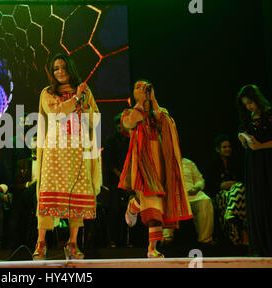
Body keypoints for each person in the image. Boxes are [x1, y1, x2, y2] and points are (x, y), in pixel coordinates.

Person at [34, 52, 101, 260]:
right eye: (56, 68)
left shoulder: (85, 91)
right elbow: (57, 113)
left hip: (78, 150)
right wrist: (76, 98)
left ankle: (72, 243)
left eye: (63, 67)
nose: (60, 71)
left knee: (77, 196)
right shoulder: (48, 93)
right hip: (55, 150)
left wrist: (85, 104)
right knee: (47, 192)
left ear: (69, 68)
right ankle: (41, 241)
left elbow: (94, 122)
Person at [119, 79, 192, 258]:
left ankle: (134, 206)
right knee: (152, 205)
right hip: (141, 164)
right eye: (138, 86)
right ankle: (152, 248)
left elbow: (164, 122)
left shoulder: (160, 112)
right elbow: (129, 123)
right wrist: (142, 103)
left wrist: (153, 100)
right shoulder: (129, 112)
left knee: (156, 205)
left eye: (145, 87)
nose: (142, 88)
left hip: (159, 164)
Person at [236, 84, 272, 256]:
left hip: (267, 161)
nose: (249, 106)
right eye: (246, 104)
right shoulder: (249, 118)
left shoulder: (269, 114)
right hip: (253, 163)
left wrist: (261, 146)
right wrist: (242, 138)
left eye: (251, 102)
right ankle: (260, 245)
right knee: (256, 201)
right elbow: (245, 135)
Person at [206, 134, 247, 247]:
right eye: (224, 147)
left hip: (236, 195)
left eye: (229, 146)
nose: (228, 149)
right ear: (218, 149)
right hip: (219, 195)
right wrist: (223, 185)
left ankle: (231, 212)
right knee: (234, 194)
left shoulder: (236, 162)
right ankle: (240, 237)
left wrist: (231, 185)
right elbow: (211, 185)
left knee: (238, 190)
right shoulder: (212, 165)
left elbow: (241, 181)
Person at [101, 112, 134, 248]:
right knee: (114, 209)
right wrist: (122, 176)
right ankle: (113, 240)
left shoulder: (132, 139)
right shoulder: (111, 140)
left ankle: (131, 240)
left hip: (130, 182)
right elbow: (109, 164)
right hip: (114, 183)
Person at [7, 133, 38, 250]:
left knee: (38, 194)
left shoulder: (46, 163)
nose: (36, 144)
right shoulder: (22, 162)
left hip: (41, 197)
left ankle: (37, 241)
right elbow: (16, 184)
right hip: (24, 195)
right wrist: (27, 185)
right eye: (34, 141)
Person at [181, 157, 214, 245]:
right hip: (174, 194)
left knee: (205, 200)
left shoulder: (188, 162)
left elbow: (199, 179)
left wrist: (197, 187)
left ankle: (205, 239)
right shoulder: (164, 161)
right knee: (167, 202)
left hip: (192, 193)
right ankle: (166, 238)